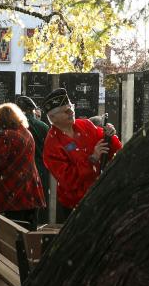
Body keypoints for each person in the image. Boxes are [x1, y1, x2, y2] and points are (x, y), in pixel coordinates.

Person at [42, 88, 122, 218]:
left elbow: (113, 149)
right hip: (76, 205)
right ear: (53, 117)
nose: (71, 112)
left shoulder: (85, 125)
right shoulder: (52, 145)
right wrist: (92, 159)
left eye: (71, 107)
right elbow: (69, 181)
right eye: (66, 111)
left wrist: (110, 135)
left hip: (100, 196)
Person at [0, 103, 46, 229]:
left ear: (1, 120)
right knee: (30, 230)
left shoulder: (6, 135)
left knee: (13, 231)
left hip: (13, 189)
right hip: (31, 188)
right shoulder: (27, 132)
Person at [16, 95, 51, 208]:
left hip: (21, 170)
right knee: (38, 203)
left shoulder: (15, 127)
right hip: (40, 169)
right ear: (32, 110)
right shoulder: (43, 126)